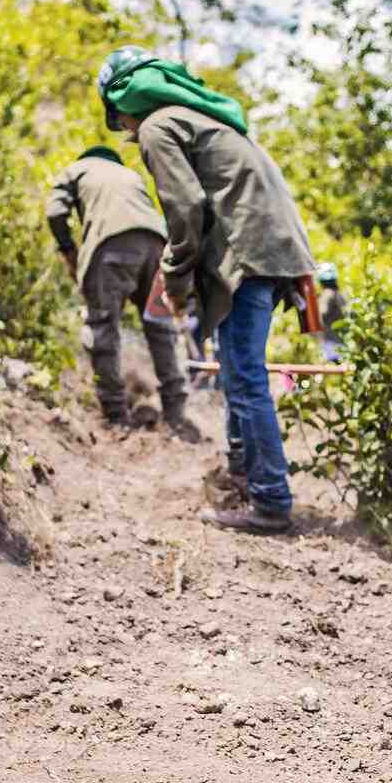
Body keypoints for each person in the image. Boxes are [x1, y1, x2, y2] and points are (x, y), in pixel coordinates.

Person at [96, 46, 316, 534]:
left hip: (247, 255)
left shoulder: (158, 127)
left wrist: (173, 279)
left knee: (245, 379)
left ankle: (270, 502)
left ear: (123, 103)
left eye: (120, 120)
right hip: (274, 251)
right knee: (239, 373)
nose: (126, 130)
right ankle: (242, 475)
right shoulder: (205, 118)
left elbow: (186, 208)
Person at [45, 145, 199, 441]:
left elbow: (55, 211)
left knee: (103, 327)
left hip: (109, 245)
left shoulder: (77, 170)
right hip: (158, 245)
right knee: (160, 327)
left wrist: (68, 250)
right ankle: (176, 413)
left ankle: (116, 415)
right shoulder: (130, 176)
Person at [313, 262, 346, 363]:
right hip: (340, 341)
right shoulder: (340, 294)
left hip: (331, 343)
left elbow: (322, 313)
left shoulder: (327, 295)